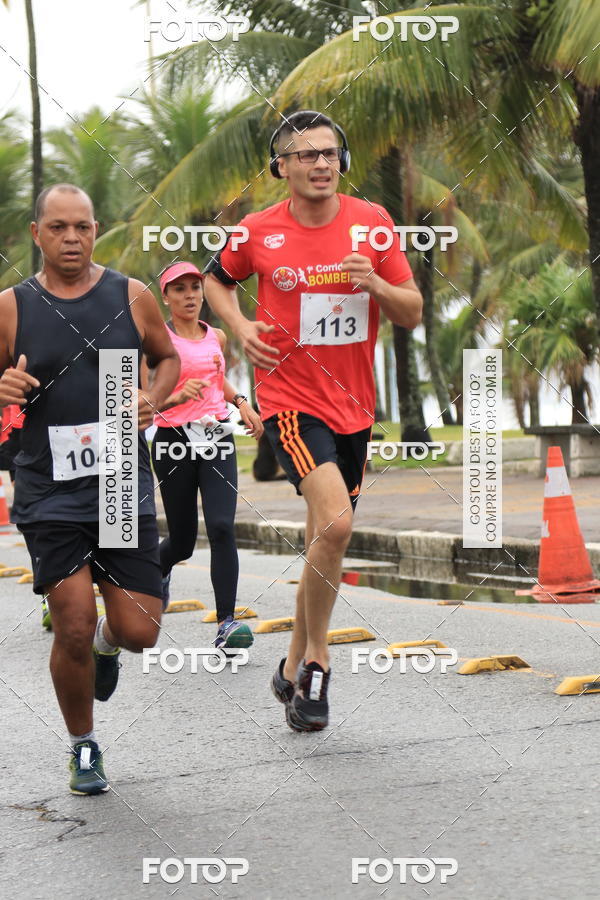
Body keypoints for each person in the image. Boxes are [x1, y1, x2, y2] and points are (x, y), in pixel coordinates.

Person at [204, 110, 422, 731]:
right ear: (282, 167)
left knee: (326, 536)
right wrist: (241, 326)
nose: (320, 163)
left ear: (341, 162)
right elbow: (218, 283)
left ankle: (292, 659)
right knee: (336, 522)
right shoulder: (256, 231)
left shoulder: (372, 224)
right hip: (290, 403)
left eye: (329, 153)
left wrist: (375, 285)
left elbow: (411, 311)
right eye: (305, 155)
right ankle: (319, 663)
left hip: (355, 407)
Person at [0, 183, 180, 794]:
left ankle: (110, 645)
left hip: (120, 483)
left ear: (95, 230)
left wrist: (151, 398)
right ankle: (83, 744)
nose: (71, 238)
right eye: (58, 228)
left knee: (138, 633)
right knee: (71, 621)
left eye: (82, 227)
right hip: (47, 485)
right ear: (37, 234)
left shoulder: (129, 296)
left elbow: (166, 357)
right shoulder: (11, 307)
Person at [148, 261, 262, 649]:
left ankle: (227, 624)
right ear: (166, 297)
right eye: (179, 290)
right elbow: (139, 397)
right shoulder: (156, 343)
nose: (190, 296)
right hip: (171, 441)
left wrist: (241, 401)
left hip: (215, 438)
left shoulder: (216, 335)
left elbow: (218, 380)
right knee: (181, 540)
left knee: (221, 526)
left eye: (195, 287)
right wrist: (175, 397)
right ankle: (157, 573)